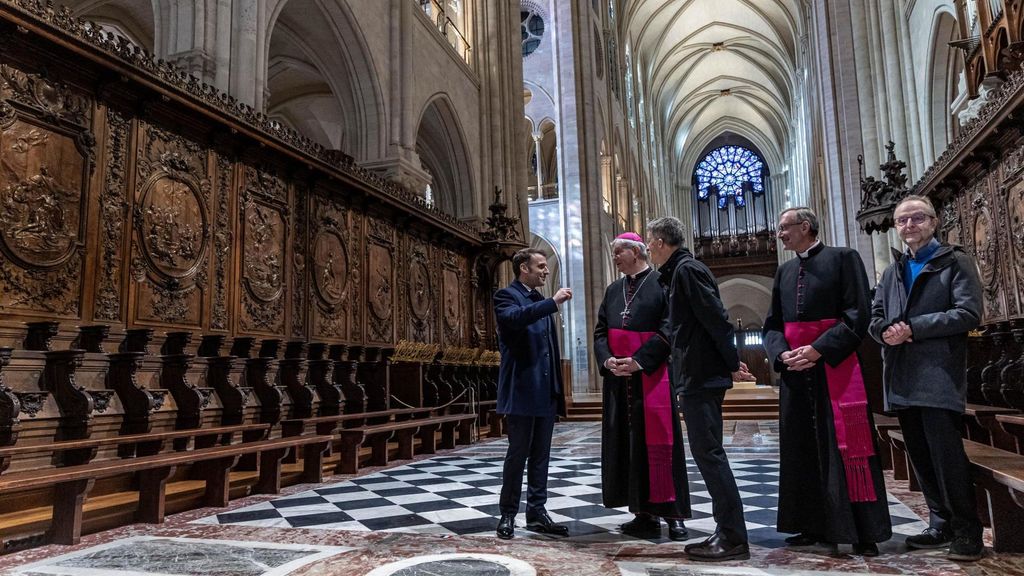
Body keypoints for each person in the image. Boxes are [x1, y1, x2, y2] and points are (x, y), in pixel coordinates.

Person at [762, 207, 892, 556]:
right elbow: (773, 324)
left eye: (784, 227)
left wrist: (818, 350)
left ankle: (863, 530)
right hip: (795, 372)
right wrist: (780, 356)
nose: (780, 234)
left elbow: (857, 314)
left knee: (849, 447)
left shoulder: (844, 258)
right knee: (801, 448)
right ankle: (810, 524)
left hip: (834, 368)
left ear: (805, 227)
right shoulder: (785, 271)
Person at [868, 195, 984, 561]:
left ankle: (968, 530)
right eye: (902, 221)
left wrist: (912, 329)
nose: (909, 226)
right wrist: (884, 331)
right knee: (919, 454)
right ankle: (940, 523)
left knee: (946, 456)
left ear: (933, 222)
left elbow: (968, 313)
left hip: (937, 374)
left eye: (917, 218)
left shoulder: (954, 262)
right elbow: (876, 315)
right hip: (900, 374)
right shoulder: (892, 271)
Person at [633, 216, 754, 561]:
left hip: (702, 376)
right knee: (707, 454)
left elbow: (716, 319)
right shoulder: (679, 272)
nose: (648, 248)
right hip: (696, 375)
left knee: (710, 455)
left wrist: (732, 363)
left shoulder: (687, 270)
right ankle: (726, 531)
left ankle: (733, 537)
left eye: (650, 242)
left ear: (659, 242)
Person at [594, 232, 690, 541]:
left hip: (652, 376)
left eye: (619, 251)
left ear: (636, 252)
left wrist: (639, 360)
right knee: (628, 447)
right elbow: (600, 332)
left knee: (661, 446)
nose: (615, 257)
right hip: (619, 382)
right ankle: (642, 514)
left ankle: (673, 515)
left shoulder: (663, 284)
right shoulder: (612, 290)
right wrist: (608, 360)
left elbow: (669, 328)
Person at [493, 248, 573, 540]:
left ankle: (537, 512)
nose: (546, 271)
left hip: (546, 392)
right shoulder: (506, 296)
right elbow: (515, 319)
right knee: (518, 455)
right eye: (540, 266)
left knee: (541, 456)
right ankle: (508, 514)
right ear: (523, 268)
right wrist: (552, 302)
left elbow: (549, 347)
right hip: (522, 390)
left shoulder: (540, 300)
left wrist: (557, 390)